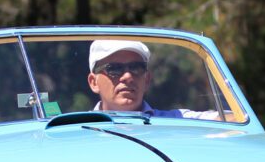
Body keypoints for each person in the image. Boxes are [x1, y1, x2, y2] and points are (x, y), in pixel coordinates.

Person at [86, 39, 222, 120]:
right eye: (114, 69)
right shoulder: (76, 128)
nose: (128, 76)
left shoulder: (174, 122)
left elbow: (233, 120)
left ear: (147, 80)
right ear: (94, 82)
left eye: (136, 68)